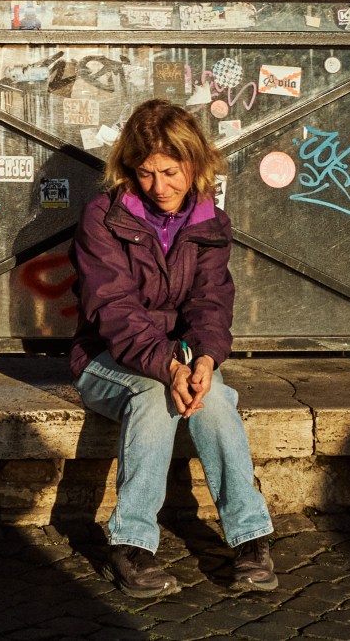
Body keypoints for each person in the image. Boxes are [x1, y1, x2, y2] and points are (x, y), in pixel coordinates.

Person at [70, 98, 276, 597]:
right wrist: (168, 367)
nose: (158, 187)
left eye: (169, 172)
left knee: (216, 396)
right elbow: (114, 309)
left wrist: (205, 359)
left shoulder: (210, 221)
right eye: (145, 174)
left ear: (194, 163)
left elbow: (211, 301)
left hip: (180, 356)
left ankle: (251, 539)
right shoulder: (103, 217)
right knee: (152, 395)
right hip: (104, 358)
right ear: (129, 170)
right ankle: (131, 544)